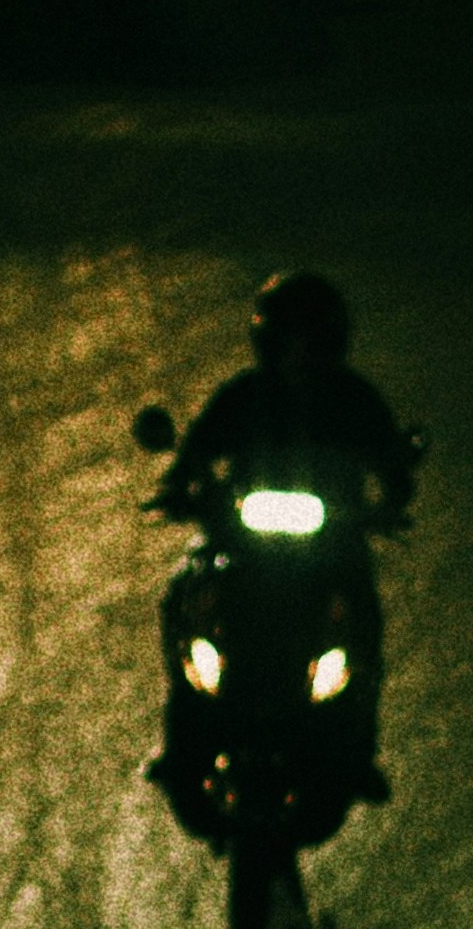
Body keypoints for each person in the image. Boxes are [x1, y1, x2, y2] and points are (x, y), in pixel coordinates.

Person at [152, 270, 426, 805]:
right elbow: (197, 450)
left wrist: (389, 500)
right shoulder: (243, 395)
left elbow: (394, 467)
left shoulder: (355, 399)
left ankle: (357, 747)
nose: (300, 353)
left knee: (363, 615)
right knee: (183, 598)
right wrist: (179, 484)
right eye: (289, 340)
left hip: (331, 543)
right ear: (270, 343)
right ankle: (183, 733)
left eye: (312, 340)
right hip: (241, 541)